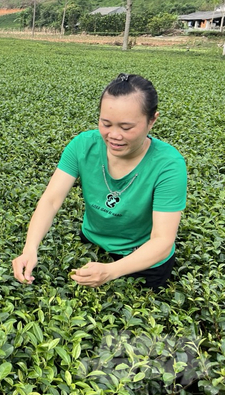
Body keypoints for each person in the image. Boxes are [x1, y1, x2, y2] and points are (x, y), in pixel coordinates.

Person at [12, 74, 187, 291]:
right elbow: (51, 200)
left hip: (143, 259)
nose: (114, 135)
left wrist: (110, 271)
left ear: (152, 120)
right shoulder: (83, 146)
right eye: (106, 124)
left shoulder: (168, 165)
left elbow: (162, 241)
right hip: (92, 241)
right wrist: (30, 248)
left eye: (126, 127)